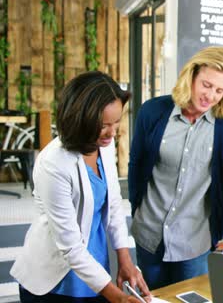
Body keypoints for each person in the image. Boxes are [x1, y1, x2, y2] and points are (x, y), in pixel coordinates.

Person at [10, 71, 150, 302]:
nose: (112, 133)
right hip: (55, 279)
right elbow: (71, 247)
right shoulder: (53, 163)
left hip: (96, 267)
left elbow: (114, 204)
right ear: (80, 119)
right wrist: (119, 297)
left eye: (116, 122)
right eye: (104, 125)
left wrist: (125, 261)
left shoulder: (103, 145)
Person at [128, 46, 223, 289]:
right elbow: (136, 166)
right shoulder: (153, 111)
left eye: (220, 90)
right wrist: (137, 208)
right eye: (206, 85)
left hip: (195, 240)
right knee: (154, 297)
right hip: (150, 232)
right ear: (191, 76)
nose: (210, 96)